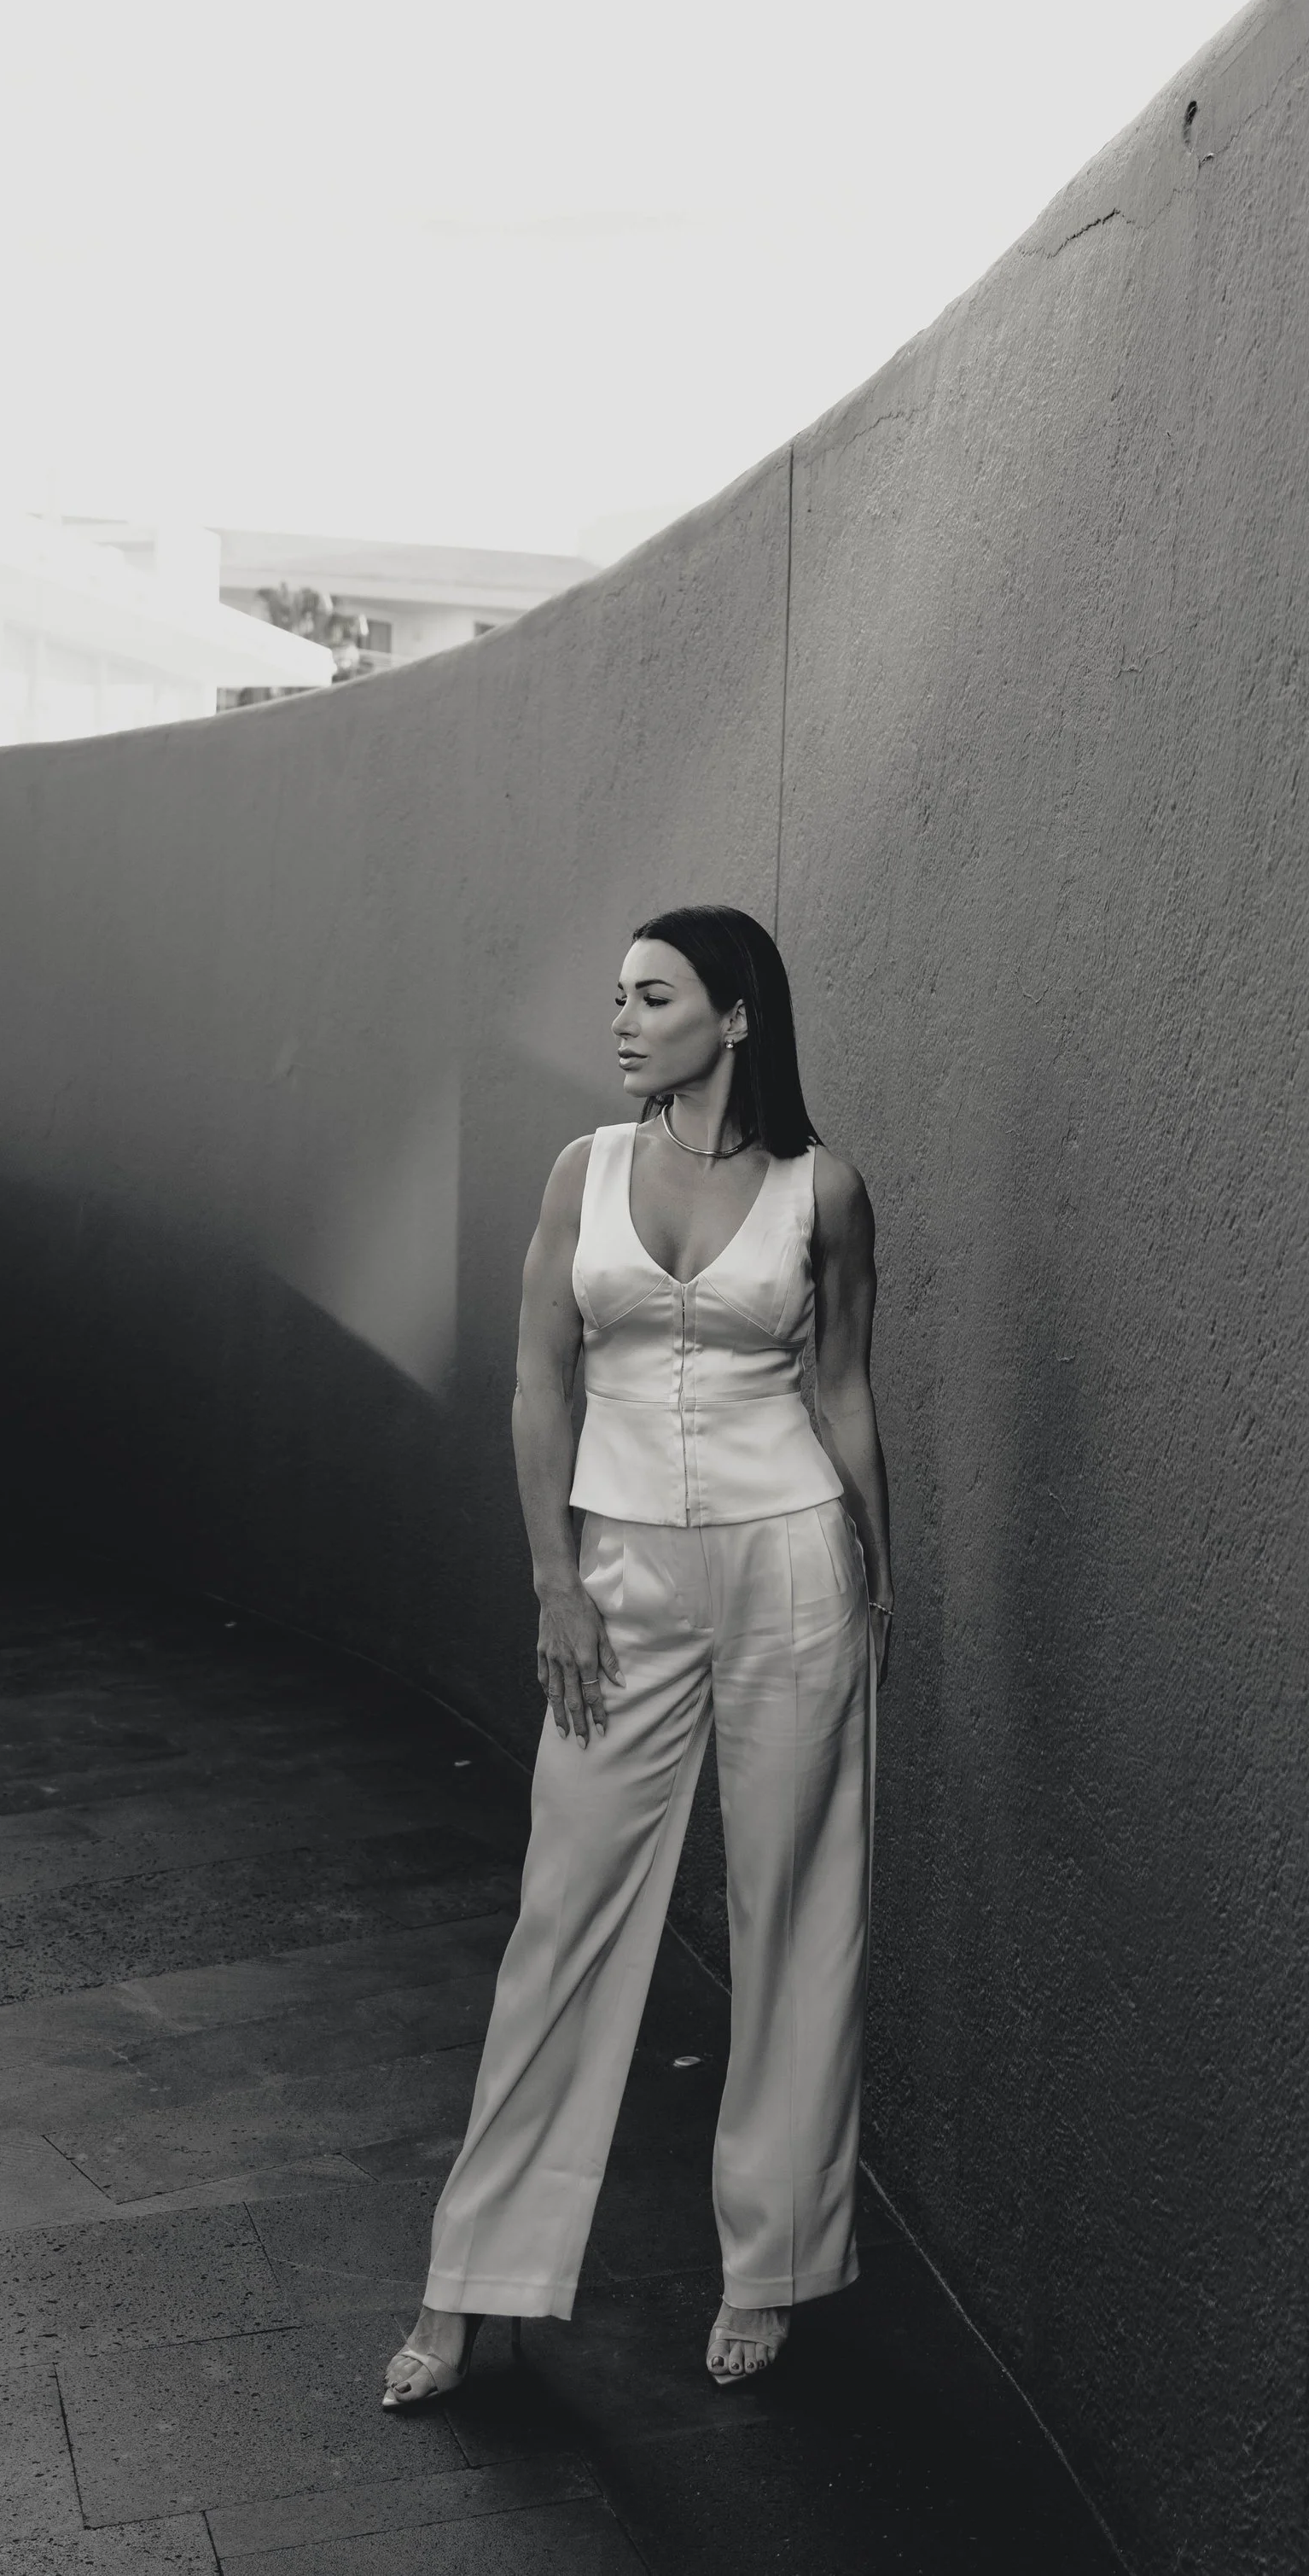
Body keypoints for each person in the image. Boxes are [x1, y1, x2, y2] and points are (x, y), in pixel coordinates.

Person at [381, 902, 893, 2405]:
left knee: (796, 1908)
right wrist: (555, 1580)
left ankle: (774, 2265)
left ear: (734, 1017)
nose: (621, 1018)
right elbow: (541, 1383)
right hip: (617, 1576)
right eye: (614, 996)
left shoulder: (828, 1189)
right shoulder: (583, 1173)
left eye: (652, 995)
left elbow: (847, 1387)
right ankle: (475, 2283)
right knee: (565, 1915)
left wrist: (886, 1567)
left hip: (795, 1560)